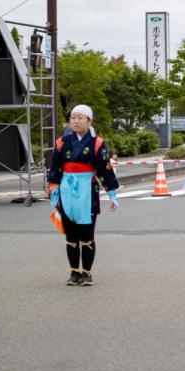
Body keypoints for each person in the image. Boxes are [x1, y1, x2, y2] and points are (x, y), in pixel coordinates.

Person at [47, 104, 120, 286]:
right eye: (73, 117)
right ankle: (74, 272)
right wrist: (54, 191)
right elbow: (55, 168)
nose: (76, 121)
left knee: (87, 235)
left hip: (88, 191)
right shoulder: (61, 142)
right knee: (70, 236)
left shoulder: (97, 143)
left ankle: (86, 273)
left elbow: (105, 170)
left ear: (89, 120)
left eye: (81, 117)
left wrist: (112, 194)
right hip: (66, 191)